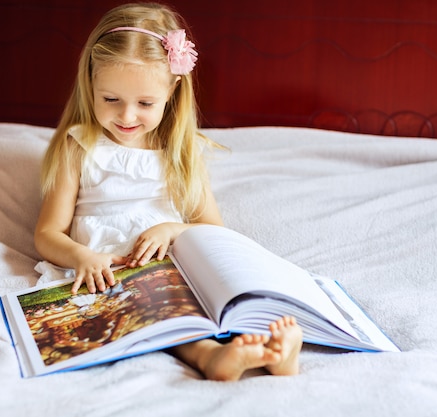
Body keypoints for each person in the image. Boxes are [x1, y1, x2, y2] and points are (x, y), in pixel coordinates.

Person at [33, 2, 302, 381]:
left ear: (172, 92)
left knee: (215, 290)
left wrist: (172, 230)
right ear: (90, 83)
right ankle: (211, 358)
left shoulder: (180, 152)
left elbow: (213, 229)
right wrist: (82, 256)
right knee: (153, 310)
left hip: (171, 256)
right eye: (111, 99)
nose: (127, 117)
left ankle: (270, 348)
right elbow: (47, 234)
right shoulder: (78, 146)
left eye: (145, 103)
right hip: (109, 267)